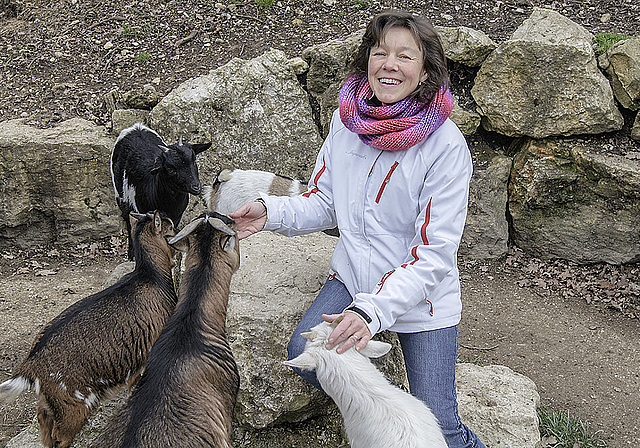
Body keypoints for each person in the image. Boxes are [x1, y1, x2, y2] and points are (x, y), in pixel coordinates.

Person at [230, 9, 486, 448]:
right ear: (366, 58)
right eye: (380, 51)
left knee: (441, 430)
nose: (389, 63)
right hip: (352, 277)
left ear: (425, 72)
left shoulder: (445, 147)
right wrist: (269, 212)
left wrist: (370, 314)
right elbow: (326, 201)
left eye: (405, 56)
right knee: (305, 356)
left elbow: (433, 257)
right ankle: (385, 415)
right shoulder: (346, 124)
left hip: (421, 299)